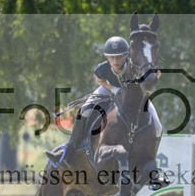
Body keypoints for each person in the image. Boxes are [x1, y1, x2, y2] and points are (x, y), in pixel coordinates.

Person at [46, 36, 132, 167]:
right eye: (112, 57)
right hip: (109, 88)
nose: (116, 60)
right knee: (84, 110)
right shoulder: (102, 68)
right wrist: (113, 89)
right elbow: (100, 81)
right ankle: (68, 149)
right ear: (107, 57)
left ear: (126, 55)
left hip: (128, 93)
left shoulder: (132, 67)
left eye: (119, 57)